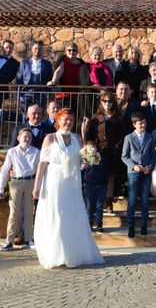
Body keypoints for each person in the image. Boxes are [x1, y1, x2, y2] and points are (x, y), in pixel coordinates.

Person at [32, 108, 104, 269]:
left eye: (71, 120)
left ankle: (73, 252)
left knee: (72, 215)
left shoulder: (77, 138)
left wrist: (86, 162)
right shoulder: (50, 138)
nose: (68, 122)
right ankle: (57, 253)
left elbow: (79, 162)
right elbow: (42, 165)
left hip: (72, 182)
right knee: (57, 216)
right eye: (65, 119)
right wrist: (37, 186)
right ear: (58, 120)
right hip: (54, 183)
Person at [85, 90, 123, 214]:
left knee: (110, 177)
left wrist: (117, 147)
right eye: (104, 101)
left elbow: (122, 135)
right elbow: (89, 135)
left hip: (112, 152)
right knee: (97, 178)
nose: (107, 103)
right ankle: (96, 203)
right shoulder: (95, 118)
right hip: (98, 152)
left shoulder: (118, 117)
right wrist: (93, 148)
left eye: (110, 101)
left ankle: (108, 203)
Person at [1, 128, 39, 250]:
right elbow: (5, 170)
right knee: (13, 213)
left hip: (30, 182)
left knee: (28, 212)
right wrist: (1, 187)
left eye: (29, 137)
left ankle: (28, 240)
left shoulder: (36, 152)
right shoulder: (12, 152)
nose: (27, 139)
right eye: (25, 137)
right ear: (18, 138)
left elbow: (39, 171)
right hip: (16, 183)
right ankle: (9, 241)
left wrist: (39, 187)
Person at [121, 112, 156, 238]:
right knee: (132, 199)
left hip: (146, 172)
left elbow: (153, 155)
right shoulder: (129, 138)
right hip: (133, 172)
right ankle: (131, 226)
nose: (143, 125)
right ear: (134, 124)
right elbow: (124, 156)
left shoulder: (150, 137)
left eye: (144, 123)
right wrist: (133, 165)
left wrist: (150, 166)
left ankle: (143, 225)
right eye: (140, 123)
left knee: (145, 199)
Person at [16, 41, 53, 114]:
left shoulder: (47, 64)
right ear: (32, 49)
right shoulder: (24, 63)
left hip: (41, 94)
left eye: (40, 49)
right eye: (35, 48)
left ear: (42, 50)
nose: (37, 50)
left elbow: (50, 78)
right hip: (26, 93)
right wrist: (20, 93)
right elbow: (19, 79)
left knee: (39, 115)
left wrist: (47, 93)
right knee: (25, 114)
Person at [82, 140, 108, 233]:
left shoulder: (100, 157)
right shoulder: (84, 159)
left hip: (101, 185)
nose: (91, 150)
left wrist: (105, 183)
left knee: (99, 206)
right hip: (89, 185)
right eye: (89, 148)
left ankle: (99, 225)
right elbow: (81, 171)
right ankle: (89, 224)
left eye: (93, 147)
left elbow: (103, 168)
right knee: (89, 206)